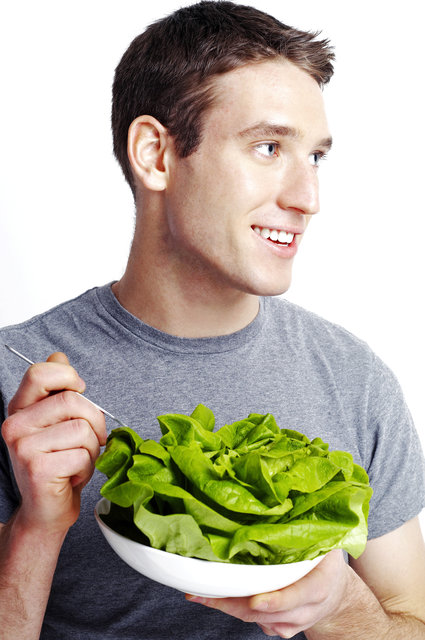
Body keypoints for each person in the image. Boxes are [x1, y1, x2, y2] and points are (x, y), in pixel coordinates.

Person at [1, 1, 424, 638]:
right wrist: (38, 528)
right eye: (269, 146)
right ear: (156, 155)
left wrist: (338, 605)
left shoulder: (354, 380)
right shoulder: (18, 379)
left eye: (315, 156)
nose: (307, 199)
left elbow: (410, 622)